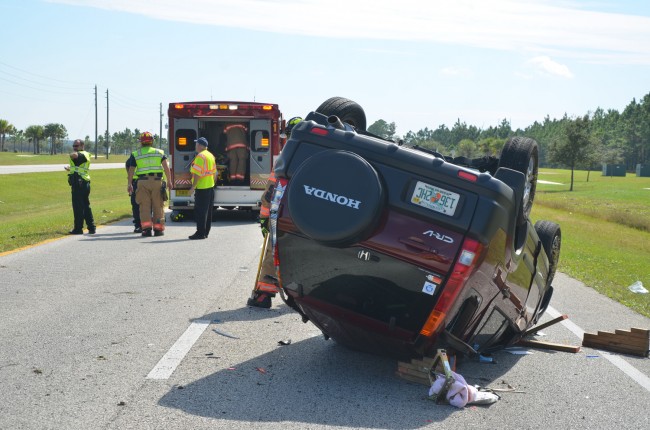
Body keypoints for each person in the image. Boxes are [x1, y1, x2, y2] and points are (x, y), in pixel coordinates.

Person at [247, 116, 302, 308]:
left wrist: (264, 218)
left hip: (284, 214)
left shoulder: (285, 157)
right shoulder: (319, 158)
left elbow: (271, 192)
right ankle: (301, 297)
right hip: (308, 219)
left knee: (274, 251)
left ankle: (263, 294)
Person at [126, 131, 173, 237]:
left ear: (141, 142)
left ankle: (146, 230)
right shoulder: (159, 152)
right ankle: (158, 230)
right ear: (152, 141)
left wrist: (129, 184)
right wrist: (169, 181)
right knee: (158, 206)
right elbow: (166, 168)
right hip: (157, 181)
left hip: (142, 182)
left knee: (144, 207)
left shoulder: (135, 154)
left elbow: (131, 170)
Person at [65, 139, 96, 235]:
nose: (74, 147)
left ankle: (78, 228)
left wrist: (70, 154)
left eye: (76, 146)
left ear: (82, 146)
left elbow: (75, 155)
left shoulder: (84, 153)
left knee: (78, 207)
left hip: (80, 183)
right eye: (73, 146)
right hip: (82, 182)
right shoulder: (81, 155)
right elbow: (78, 166)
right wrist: (71, 169)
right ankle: (91, 227)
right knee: (85, 205)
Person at [188, 137, 217, 240]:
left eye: (196, 144)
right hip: (210, 187)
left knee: (200, 211)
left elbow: (197, 174)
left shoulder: (200, 156)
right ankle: (205, 232)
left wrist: (193, 187)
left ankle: (200, 233)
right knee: (208, 212)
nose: (195, 146)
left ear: (200, 145)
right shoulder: (210, 155)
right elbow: (214, 172)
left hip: (202, 188)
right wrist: (213, 183)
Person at [125, 160, 142, 233]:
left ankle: (138, 225)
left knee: (135, 205)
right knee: (146, 204)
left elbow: (128, 170)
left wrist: (130, 183)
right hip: (142, 182)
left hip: (135, 183)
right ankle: (145, 225)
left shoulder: (132, 158)